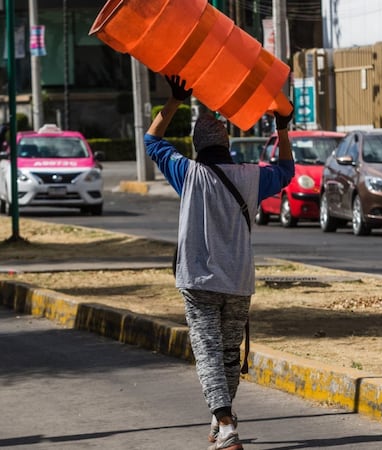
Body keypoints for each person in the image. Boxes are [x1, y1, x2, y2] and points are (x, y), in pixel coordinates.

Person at [145, 75, 294, 450]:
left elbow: (152, 141)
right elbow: (287, 170)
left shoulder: (188, 174)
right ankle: (221, 419)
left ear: (197, 146)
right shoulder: (250, 177)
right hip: (238, 281)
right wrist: (281, 127)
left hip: (197, 281)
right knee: (228, 355)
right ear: (226, 142)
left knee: (208, 351)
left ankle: (226, 424)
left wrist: (175, 100)